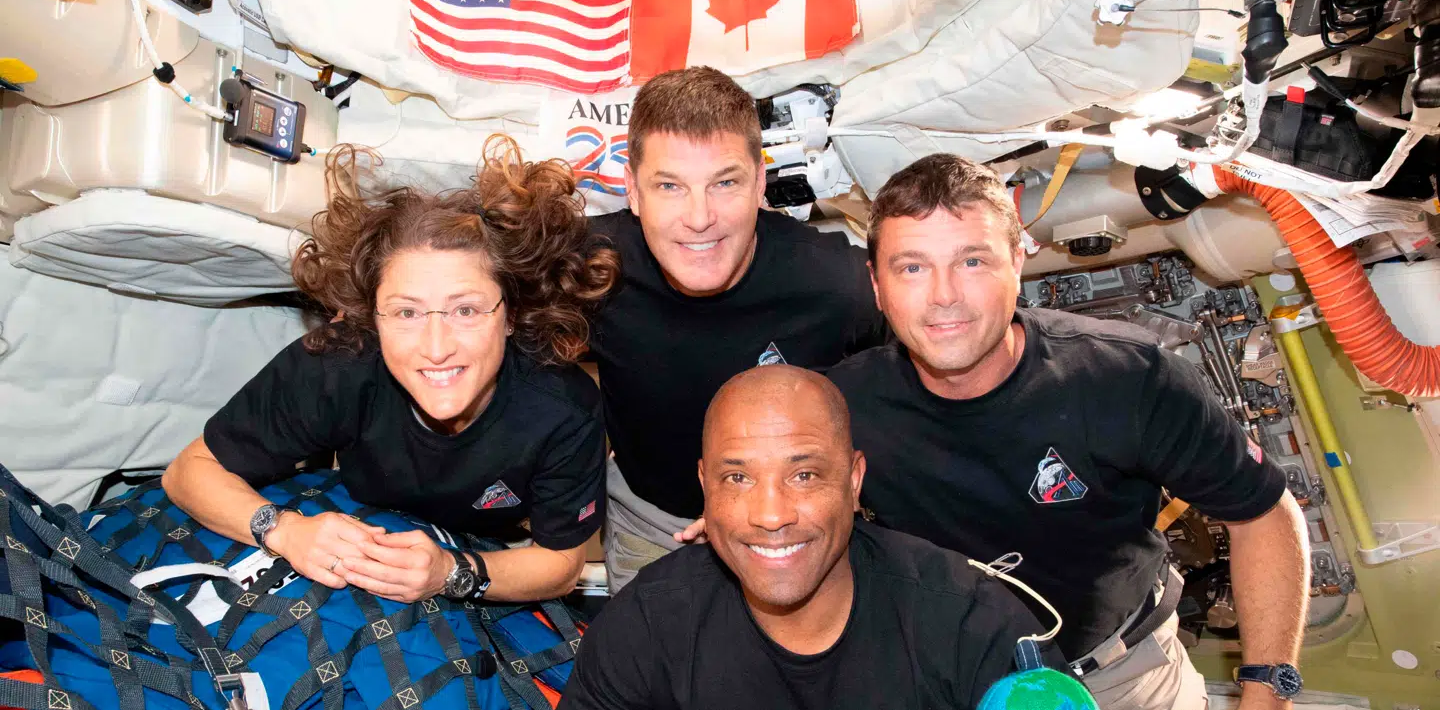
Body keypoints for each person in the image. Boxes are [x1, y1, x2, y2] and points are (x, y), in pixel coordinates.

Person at [825, 154, 1310, 710]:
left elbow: (1264, 513)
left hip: (1122, 678)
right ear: (877, 285)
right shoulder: (839, 407)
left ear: (1017, 259)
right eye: (912, 267)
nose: (943, 296)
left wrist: (1269, 694)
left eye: (972, 262)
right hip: (947, 681)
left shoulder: (1127, 378)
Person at [162, 136, 619, 603]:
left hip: (484, 554)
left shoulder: (564, 408)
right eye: (406, 313)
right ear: (372, 319)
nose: (436, 348)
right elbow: (188, 471)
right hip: (351, 525)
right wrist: (284, 531)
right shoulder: (338, 364)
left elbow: (561, 565)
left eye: (465, 311)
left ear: (512, 315)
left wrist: (452, 572)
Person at [560, 365, 1061, 710]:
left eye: (804, 476)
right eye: (738, 478)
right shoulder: (647, 626)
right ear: (704, 486)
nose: (772, 516)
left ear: (853, 479)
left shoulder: (969, 622)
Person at [586, 67, 886, 594]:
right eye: (669, 186)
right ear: (633, 192)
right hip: (654, 526)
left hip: (793, 527)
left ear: (760, 183)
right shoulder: (588, 270)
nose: (699, 217)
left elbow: (921, 381)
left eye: (724, 183)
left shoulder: (835, 283)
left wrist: (855, 491)